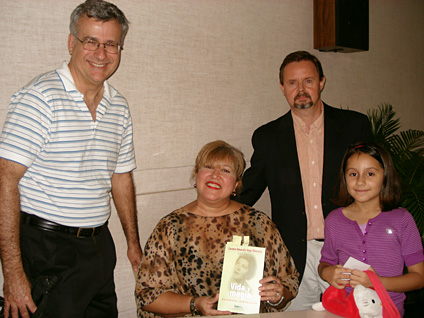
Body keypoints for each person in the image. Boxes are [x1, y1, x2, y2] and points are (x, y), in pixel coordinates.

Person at [0, 1, 142, 317]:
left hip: (98, 247)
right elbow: (4, 180)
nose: (101, 54)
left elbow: (120, 178)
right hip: (48, 249)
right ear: (71, 43)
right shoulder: (40, 97)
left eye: (111, 45)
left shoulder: (118, 107)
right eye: (90, 41)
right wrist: (12, 274)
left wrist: (133, 244)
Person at [236, 50, 374, 310]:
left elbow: (375, 184)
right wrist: (207, 210)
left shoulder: (355, 126)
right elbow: (248, 192)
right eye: (292, 83)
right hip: (294, 257)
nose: (300, 89)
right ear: (282, 87)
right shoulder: (268, 137)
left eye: (308, 81)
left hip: (348, 251)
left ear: (321, 82)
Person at [135, 140, 299, 317]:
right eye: (208, 167)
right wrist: (195, 304)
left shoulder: (260, 224)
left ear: (236, 184)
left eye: (226, 170)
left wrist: (278, 295)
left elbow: (290, 281)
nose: (215, 175)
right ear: (196, 175)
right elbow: (147, 297)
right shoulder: (170, 227)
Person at [318, 141, 424, 317]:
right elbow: (325, 262)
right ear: (344, 178)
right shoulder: (334, 220)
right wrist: (327, 272)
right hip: (345, 310)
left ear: (385, 176)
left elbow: (419, 277)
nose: (360, 181)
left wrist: (376, 282)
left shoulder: (402, 219)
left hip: (389, 311)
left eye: (370, 173)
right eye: (353, 174)